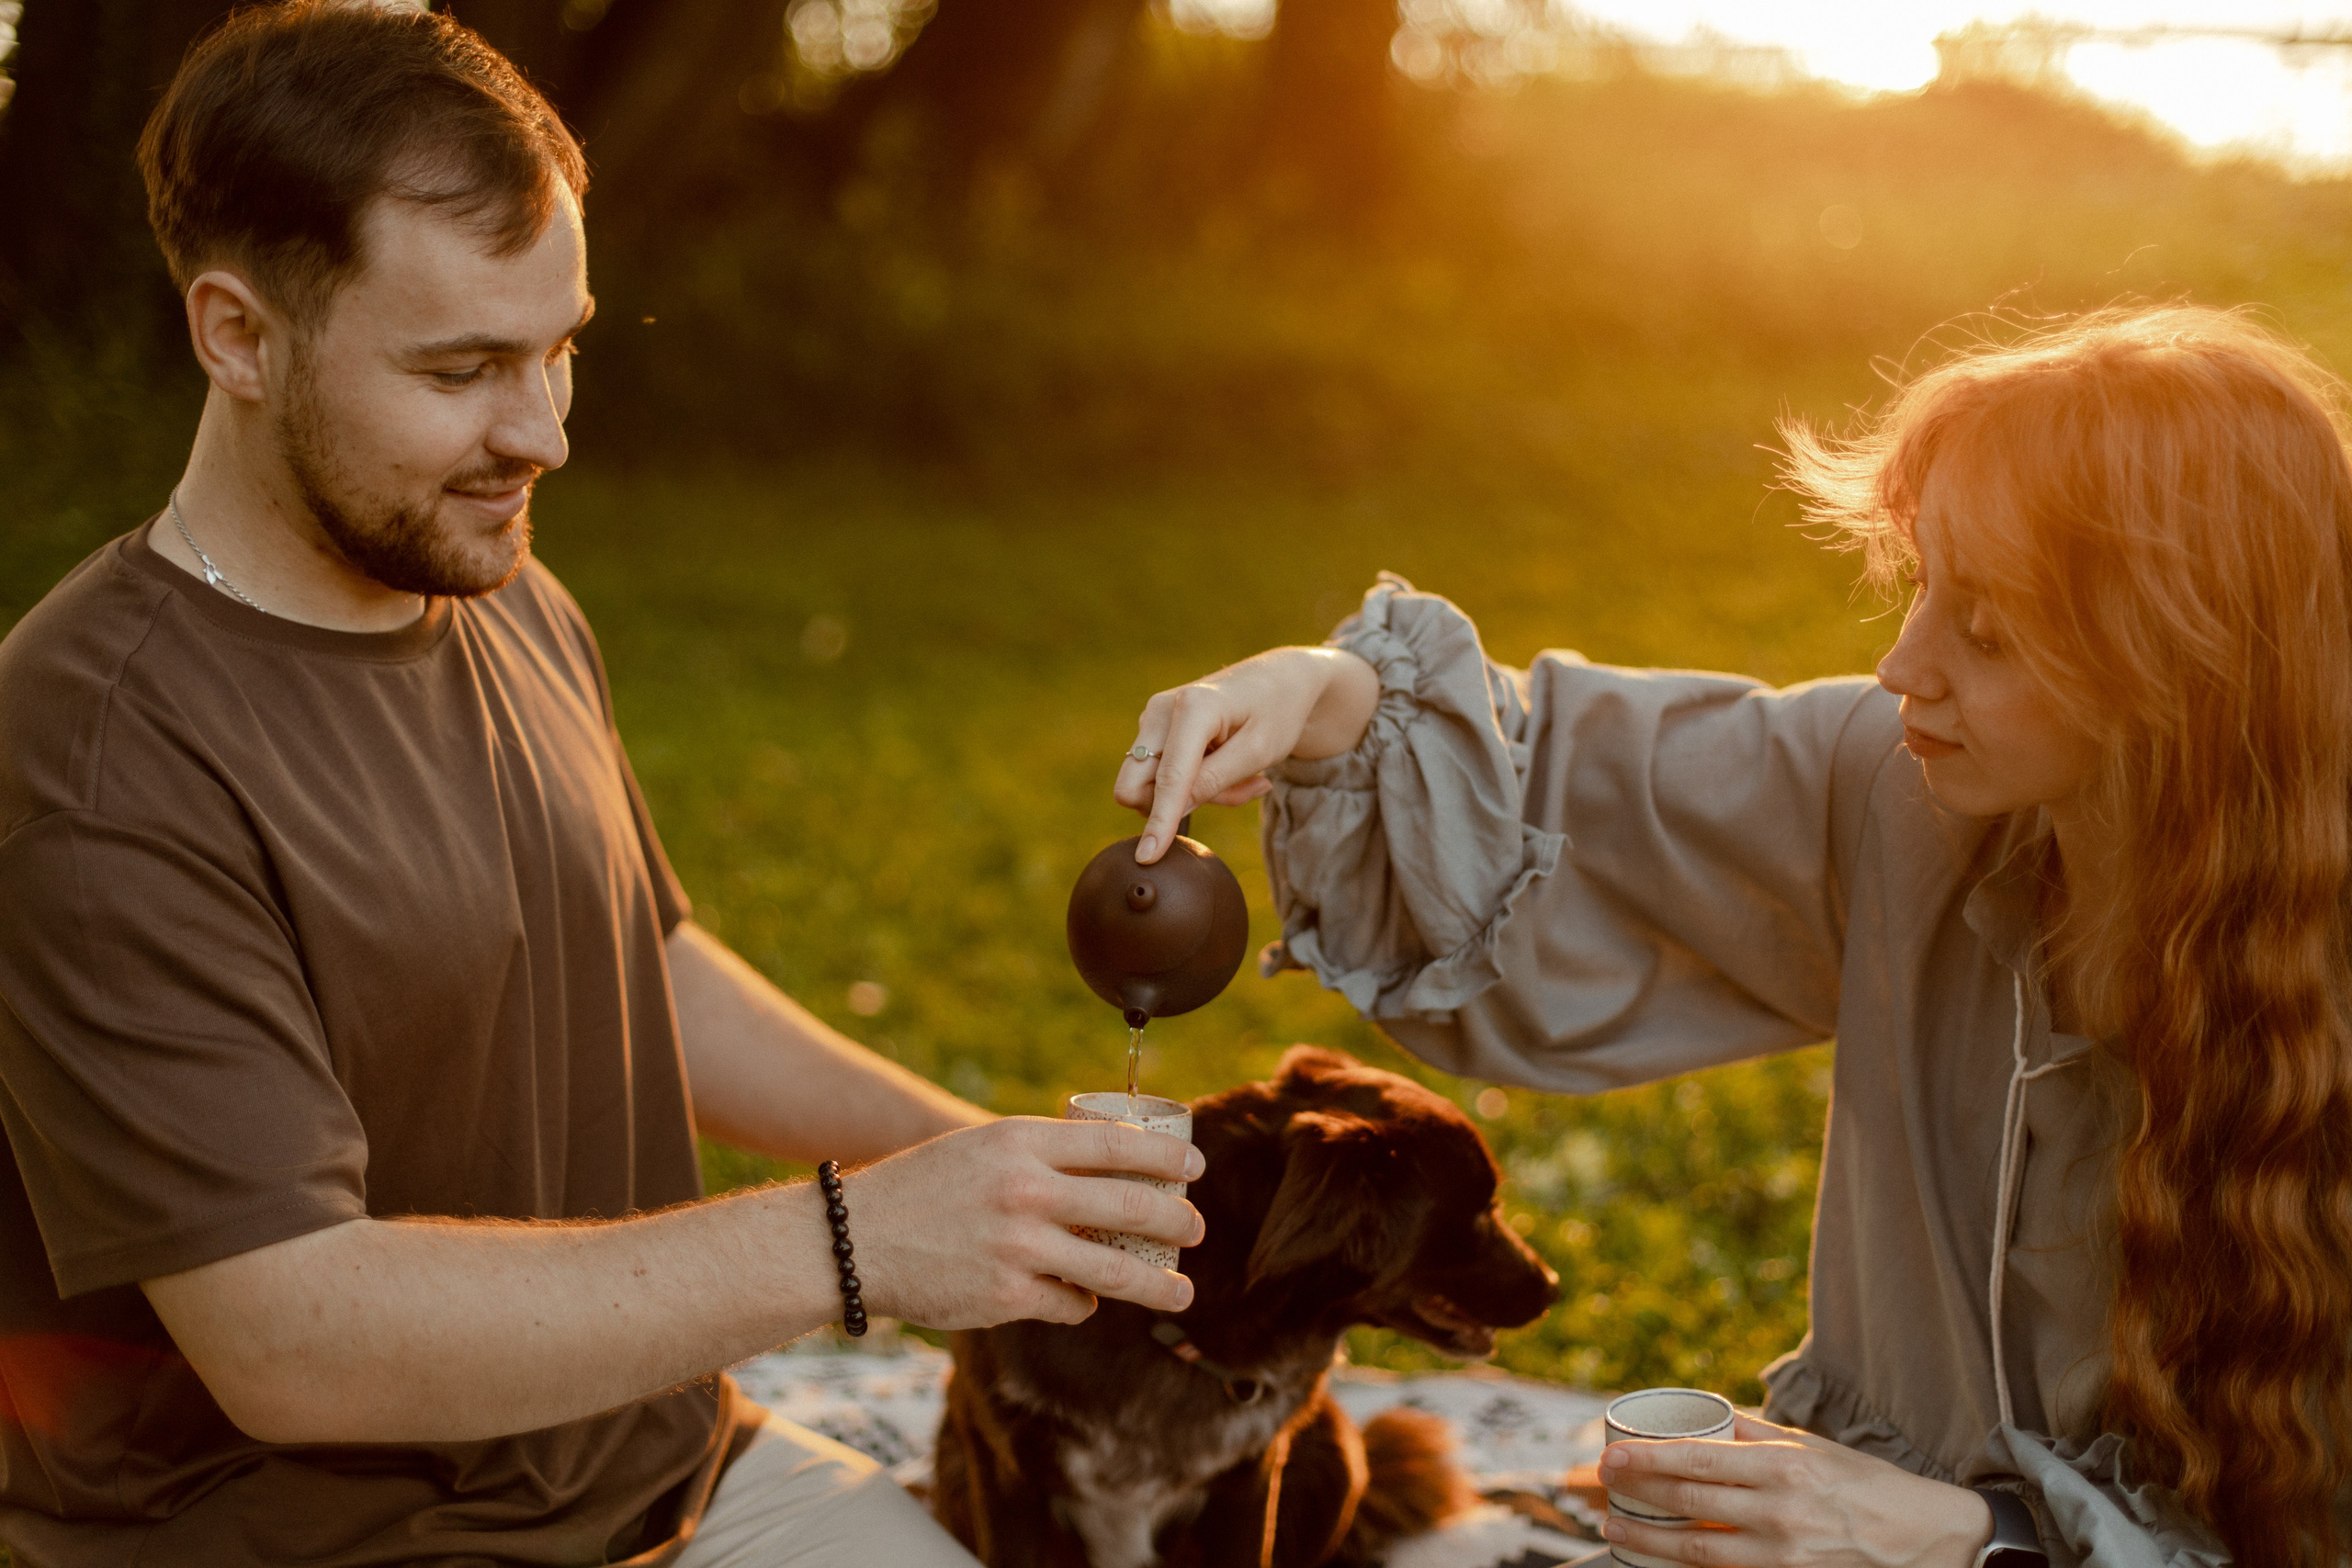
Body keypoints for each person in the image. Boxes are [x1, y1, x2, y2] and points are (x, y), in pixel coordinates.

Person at [0, 7, 1203, 1565]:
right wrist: (856, 1246)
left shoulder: (494, 582)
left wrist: (992, 1175)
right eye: (463, 368)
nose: (543, 432)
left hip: (660, 1470)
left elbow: (631, 961)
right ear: (236, 335)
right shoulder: (93, 761)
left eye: (559, 346)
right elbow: (286, 1336)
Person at [1117, 304, 2352, 1568]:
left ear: (2175, 668)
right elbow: (1602, 790)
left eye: (1986, 630)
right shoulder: (1910, 795)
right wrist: (1327, 700)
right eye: (1925, 586)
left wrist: (1969, 1539)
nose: (1902, 665)